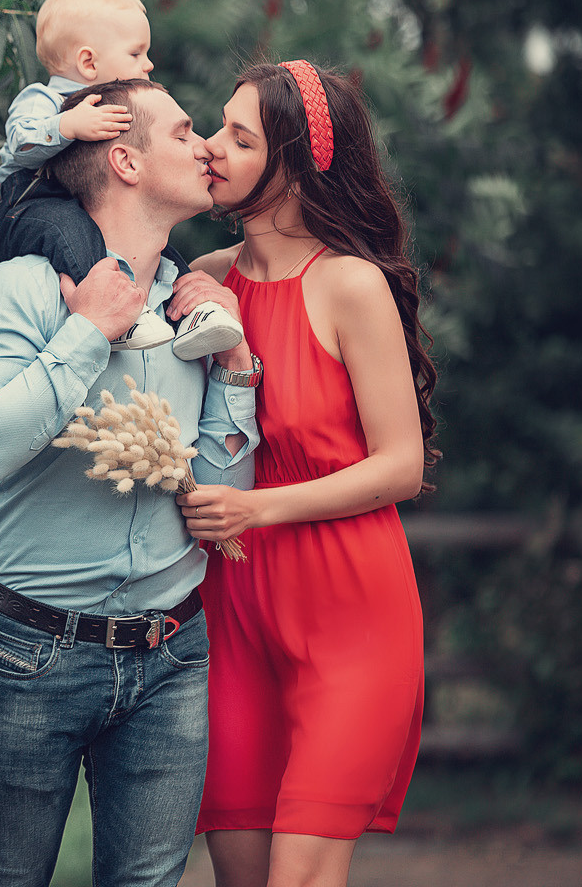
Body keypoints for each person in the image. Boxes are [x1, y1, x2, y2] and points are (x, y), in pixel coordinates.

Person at [0, 77, 261, 887]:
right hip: (34, 653)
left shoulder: (193, 310)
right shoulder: (18, 289)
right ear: (123, 159)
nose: (206, 148)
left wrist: (233, 373)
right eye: (185, 131)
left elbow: (217, 501)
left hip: (172, 652)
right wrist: (89, 330)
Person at [169, 60, 439, 887]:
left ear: (291, 167)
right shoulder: (205, 284)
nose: (210, 147)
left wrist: (255, 508)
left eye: (238, 138)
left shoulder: (351, 286)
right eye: (218, 126)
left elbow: (401, 466)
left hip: (353, 618)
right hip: (235, 622)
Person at [0, 0, 244, 359]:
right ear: (89, 62)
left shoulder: (115, 107)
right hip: (27, 203)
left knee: (166, 255)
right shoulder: (44, 99)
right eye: (136, 53)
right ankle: (121, 312)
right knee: (69, 231)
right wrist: (67, 126)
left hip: (68, 203)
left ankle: (195, 314)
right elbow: (19, 141)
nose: (148, 64)